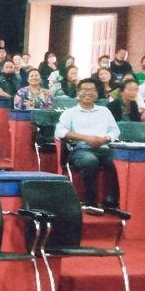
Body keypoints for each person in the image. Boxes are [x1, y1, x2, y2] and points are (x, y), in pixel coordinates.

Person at [54, 78, 120, 209]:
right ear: (78, 93)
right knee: (90, 161)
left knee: (119, 163)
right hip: (80, 149)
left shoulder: (104, 111)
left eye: (91, 90)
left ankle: (113, 200)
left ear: (96, 94)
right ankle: (90, 202)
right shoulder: (70, 113)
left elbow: (115, 131)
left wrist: (105, 138)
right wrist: (85, 138)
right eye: (84, 90)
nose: (87, 93)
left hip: (104, 147)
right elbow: (60, 132)